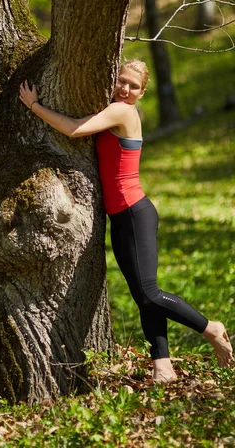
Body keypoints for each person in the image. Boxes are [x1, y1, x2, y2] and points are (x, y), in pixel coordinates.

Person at [19, 59, 233, 382]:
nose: (126, 89)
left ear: (142, 92)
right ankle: (163, 366)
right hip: (121, 218)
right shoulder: (113, 108)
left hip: (135, 213)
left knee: (149, 293)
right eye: (122, 81)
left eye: (134, 86)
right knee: (142, 295)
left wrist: (34, 106)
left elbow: (74, 129)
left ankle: (211, 328)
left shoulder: (122, 112)